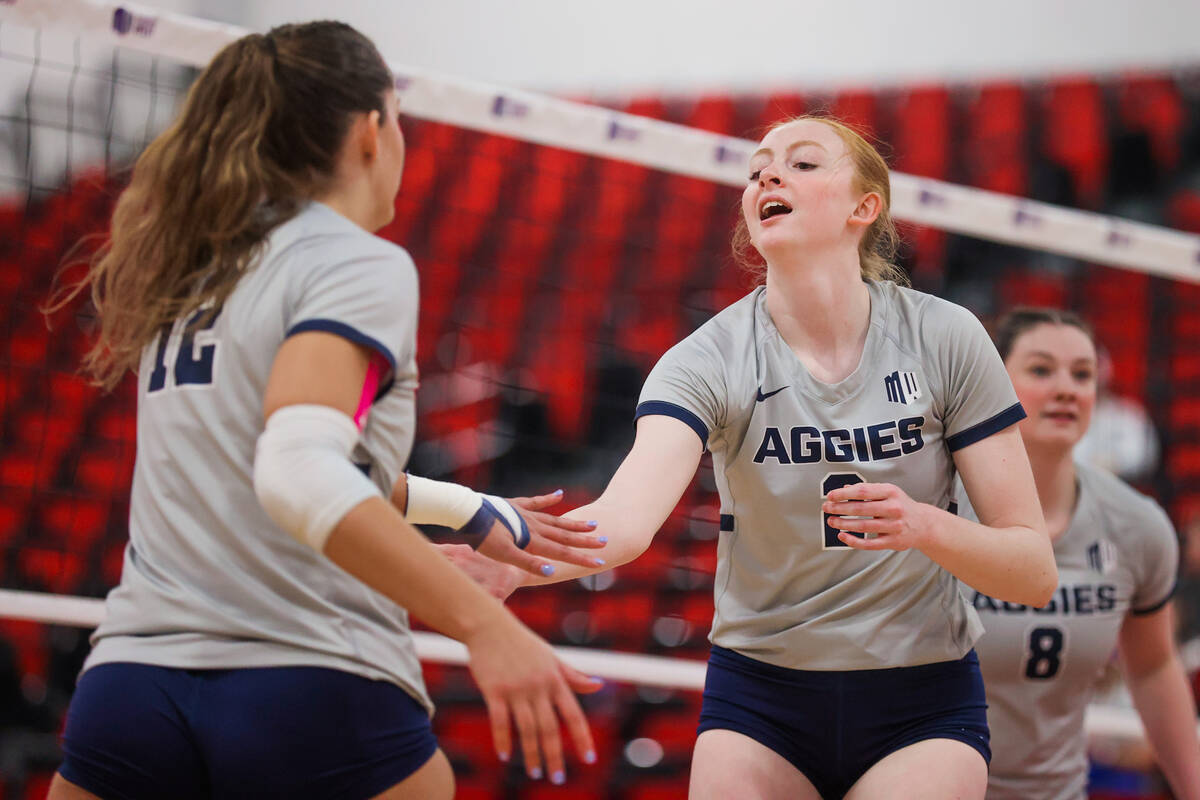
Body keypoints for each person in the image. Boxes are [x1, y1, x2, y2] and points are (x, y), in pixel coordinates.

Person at [43, 22, 607, 800]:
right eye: (398, 117)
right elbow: (299, 473)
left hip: (133, 687)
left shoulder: (196, 271)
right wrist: (487, 629)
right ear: (373, 132)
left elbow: (263, 459)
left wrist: (469, 509)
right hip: (303, 678)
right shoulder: (351, 259)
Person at [446, 115, 1058, 800]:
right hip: (762, 700)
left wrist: (926, 528)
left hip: (921, 697)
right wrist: (516, 556)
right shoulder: (706, 360)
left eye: (802, 163)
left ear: (865, 207)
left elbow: (1032, 572)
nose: (768, 174)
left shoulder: (945, 336)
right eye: (758, 167)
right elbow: (624, 521)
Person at [959, 307, 1200, 800]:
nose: (1067, 388)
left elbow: (1154, 668)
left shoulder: (1136, 525)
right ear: (993, 381)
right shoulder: (935, 504)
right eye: (1042, 370)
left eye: (1083, 374)